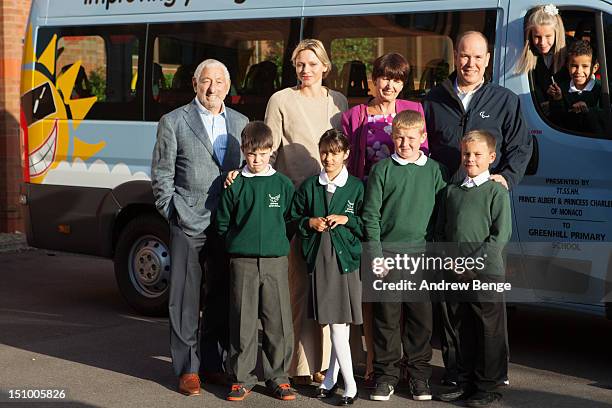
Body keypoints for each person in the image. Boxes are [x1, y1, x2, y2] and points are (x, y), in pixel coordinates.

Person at [424, 31, 531, 389]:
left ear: (488, 59)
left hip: (482, 214)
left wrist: (507, 178)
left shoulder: (504, 100)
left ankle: (490, 378)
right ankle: (456, 373)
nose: (470, 63)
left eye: (477, 57)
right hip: (446, 210)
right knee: (451, 308)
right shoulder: (433, 99)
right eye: (464, 56)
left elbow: (521, 145)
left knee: (485, 308)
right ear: (455, 56)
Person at [151, 58, 248, 396]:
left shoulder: (241, 122)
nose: (212, 88)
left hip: (227, 225)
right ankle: (187, 369)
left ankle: (211, 363)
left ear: (228, 85)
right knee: (184, 299)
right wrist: (173, 214)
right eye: (206, 81)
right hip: (188, 222)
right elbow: (161, 176)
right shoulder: (174, 121)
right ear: (195, 84)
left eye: (219, 81)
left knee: (221, 296)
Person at [341, 51, 429, 388]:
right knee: (376, 294)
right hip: (371, 207)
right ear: (373, 80)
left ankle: (412, 364)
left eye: (397, 78)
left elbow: (425, 153)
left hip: (404, 206)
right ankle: (376, 362)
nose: (389, 84)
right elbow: (350, 166)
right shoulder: (354, 115)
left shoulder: (415, 112)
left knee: (409, 299)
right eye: (384, 77)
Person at [265, 38, 348, 385]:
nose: (306, 70)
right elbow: (268, 151)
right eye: (300, 64)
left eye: (313, 64)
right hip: (296, 206)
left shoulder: (339, 102)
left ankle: (327, 364)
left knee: (328, 286)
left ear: (325, 66)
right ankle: (294, 365)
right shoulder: (280, 100)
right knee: (296, 287)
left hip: (332, 204)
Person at [362, 110, 447, 402]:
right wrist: (375, 253)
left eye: (411, 138)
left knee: (420, 319)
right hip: (387, 255)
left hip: (421, 256)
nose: (404, 143)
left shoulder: (434, 171)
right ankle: (386, 376)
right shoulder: (382, 170)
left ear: (422, 138)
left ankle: (419, 376)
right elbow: (370, 215)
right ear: (391, 137)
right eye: (399, 137)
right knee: (386, 318)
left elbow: (440, 215)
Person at [215, 121, 296, 402]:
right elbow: (223, 221)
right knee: (243, 321)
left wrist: (275, 243)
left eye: (262, 154)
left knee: (278, 321)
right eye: (251, 154)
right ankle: (241, 378)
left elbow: (290, 221)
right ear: (243, 151)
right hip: (243, 262)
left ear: (271, 151)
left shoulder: (283, 184)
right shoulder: (235, 184)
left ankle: (279, 377)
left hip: (275, 261)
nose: (257, 159)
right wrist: (237, 245)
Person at [436, 130, 512, 407]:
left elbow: (499, 235)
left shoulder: (496, 191)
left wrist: (472, 264)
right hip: (454, 271)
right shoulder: (451, 192)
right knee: (461, 327)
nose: (470, 159)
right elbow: (443, 231)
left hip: (485, 272)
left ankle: (488, 385)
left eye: (478, 154)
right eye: (466, 153)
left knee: (488, 330)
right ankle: (465, 381)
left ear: (491, 157)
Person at [291, 130, 364, 405]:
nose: (328, 158)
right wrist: (309, 222)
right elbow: (295, 217)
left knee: (339, 326)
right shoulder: (310, 186)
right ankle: (339, 381)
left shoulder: (356, 186)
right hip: (321, 261)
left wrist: (347, 219)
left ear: (346, 154)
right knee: (336, 324)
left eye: (334, 152)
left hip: (347, 264)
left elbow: (365, 224)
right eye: (324, 151)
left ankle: (346, 383)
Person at [514, 4, 568, 112]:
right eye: (537, 37)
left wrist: (561, 96)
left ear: (557, 34)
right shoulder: (530, 54)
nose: (542, 43)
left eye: (548, 36)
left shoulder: (569, 53)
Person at [549, 40, 606, 134]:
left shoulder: (602, 89)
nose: (579, 71)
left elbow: (605, 118)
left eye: (585, 66)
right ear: (567, 66)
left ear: (595, 68)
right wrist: (557, 100)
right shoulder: (561, 89)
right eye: (574, 66)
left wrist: (588, 110)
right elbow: (557, 121)